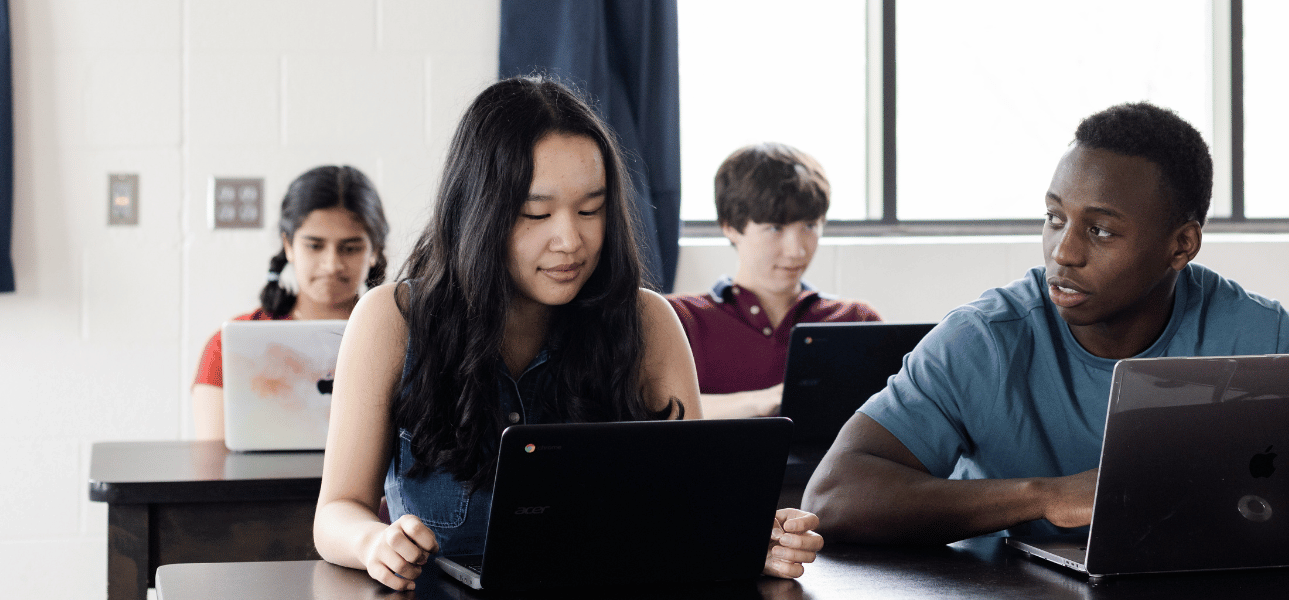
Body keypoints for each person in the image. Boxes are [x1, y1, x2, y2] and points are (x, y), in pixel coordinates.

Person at [801, 102, 1289, 545]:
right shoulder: (987, 339)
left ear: (1181, 245)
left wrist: (1280, 495)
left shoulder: (1262, 337)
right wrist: (1044, 496)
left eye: (1102, 229)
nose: (1064, 250)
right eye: (1055, 217)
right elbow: (833, 494)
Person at [311, 77, 823, 591]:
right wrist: (372, 543)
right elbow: (338, 510)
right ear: (479, 213)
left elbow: (693, 509)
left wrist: (750, 538)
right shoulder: (391, 319)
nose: (570, 240)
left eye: (590, 210)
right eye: (536, 213)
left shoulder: (649, 323)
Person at [667, 143, 882, 419]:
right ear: (730, 227)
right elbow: (652, 411)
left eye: (809, 226)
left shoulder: (856, 321)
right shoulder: (678, 319)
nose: (797, 251)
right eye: (775, 228)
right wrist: (765, 402)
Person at [190, 165, 390, 440]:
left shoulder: (404, 340)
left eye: (350, 248)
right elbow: (215, 465)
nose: (332, 264)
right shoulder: (230, 347)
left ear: (374, 251)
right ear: (288, 245)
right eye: (314, 245)